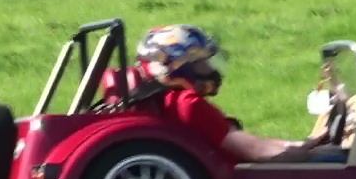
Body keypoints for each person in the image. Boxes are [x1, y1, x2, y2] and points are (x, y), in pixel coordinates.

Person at [135, 25, 329, 163]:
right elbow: (257, 151)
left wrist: (307, 143)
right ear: (180, 68)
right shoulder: (189, 105)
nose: (211, 71)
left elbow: (253, 142)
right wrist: (315, 154)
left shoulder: (165, 101)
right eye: (202, 64)